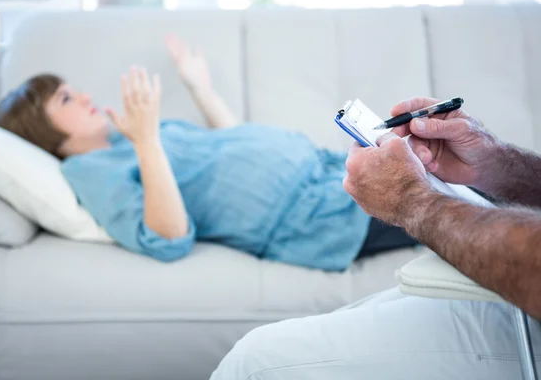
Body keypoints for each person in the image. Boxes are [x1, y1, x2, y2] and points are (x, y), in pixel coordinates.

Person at [0, 35, 417, 271]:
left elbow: (231, 145)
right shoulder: (90, 171)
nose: (83, 96)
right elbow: (168, 240)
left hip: (326, 171)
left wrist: (200, 88)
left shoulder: (126, 137)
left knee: (444, 167)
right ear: (45, 133)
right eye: (65, 100)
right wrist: (146, 141)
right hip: (317, 216)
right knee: (458, 203)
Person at [210, 96, 541, 379]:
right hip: (508, 295)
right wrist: (499, 164)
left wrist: (412, 199)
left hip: (526, 318)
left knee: (251, 364)